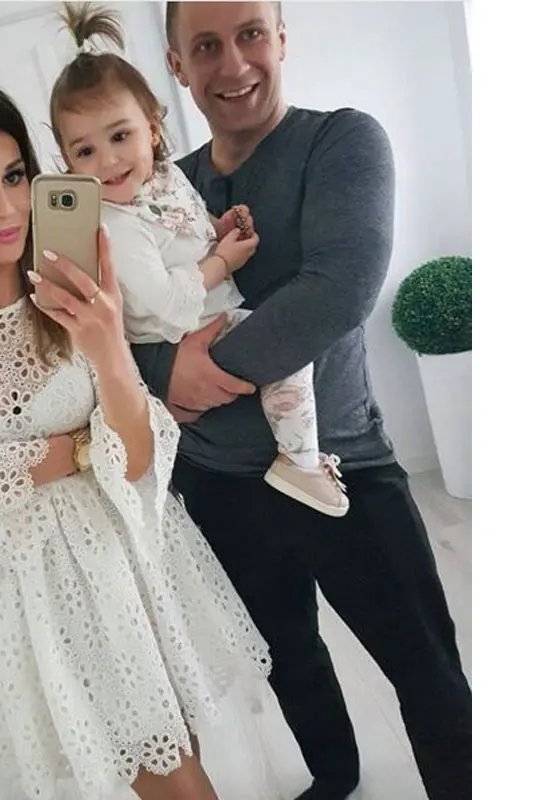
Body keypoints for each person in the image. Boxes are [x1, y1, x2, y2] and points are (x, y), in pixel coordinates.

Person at [0, 77, 272, 800]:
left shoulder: (72, 293)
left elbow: (140, 456)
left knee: (180, 754)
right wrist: (84, 447)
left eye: (15, 175)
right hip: (31, 598)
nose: (5, 206)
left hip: (130, 560)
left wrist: (108, 342)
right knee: (173, 779)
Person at [129, 3, 473, 799]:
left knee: (425, 668)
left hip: (340, 469)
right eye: (206, 46)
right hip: (217, 485)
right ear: (177, 65)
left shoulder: (342, 141)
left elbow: (337, 291)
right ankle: (334, 779)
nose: (233, 64)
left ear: (281, 38)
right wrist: (160, 370)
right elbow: (124, 321)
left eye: (251, 33)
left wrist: (191, 375)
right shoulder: (163, 188)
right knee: (287, 660)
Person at [48, 3, 349, 518]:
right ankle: (299, 459)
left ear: (152, 129)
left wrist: (217, 227)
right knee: (288, 357)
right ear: (67, 161)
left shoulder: (165, 179)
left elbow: (185, 225)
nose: (108, 162)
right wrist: (223, 262)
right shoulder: (115, 223)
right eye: (85, 152)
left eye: (119, 137)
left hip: (208, 321)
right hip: (182, 328)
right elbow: (167, 303)